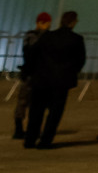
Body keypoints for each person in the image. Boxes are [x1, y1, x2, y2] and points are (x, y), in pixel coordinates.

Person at [23, 10, 86, 149]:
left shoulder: (47, 36)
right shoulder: (76, 39)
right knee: (55, 113)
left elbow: (33, 54)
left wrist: (30, 71)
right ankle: (46, 140)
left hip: (41, 79)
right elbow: (80, 60)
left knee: (36, 111)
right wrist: (71, 72)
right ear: (73, 22)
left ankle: (30, 139)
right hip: (61, 81)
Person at [12, 11, 50, 140]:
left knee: (35, 103)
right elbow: (30, 53)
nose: (44, 25)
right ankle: (19, 129)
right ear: (38, 23)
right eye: (42, 22)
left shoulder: (35, 36)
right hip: (32, 74)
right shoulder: (32, 36)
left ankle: (30, 129)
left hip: (38, 74)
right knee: (24, 102)